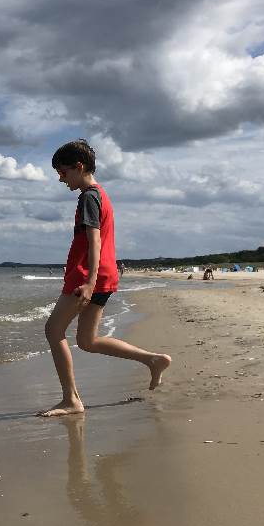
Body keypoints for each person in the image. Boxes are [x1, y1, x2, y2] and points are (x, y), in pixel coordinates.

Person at [38, 140, 172, 417]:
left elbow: (94, 241)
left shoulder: (88, 196)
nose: (60, 179)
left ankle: (71, 400)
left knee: (53, 331)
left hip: (88, 276)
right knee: (88, 340)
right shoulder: (101, 195)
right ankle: (152, 360)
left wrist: (89, 282)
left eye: (62, 172)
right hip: (105, 275)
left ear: (79, 166)